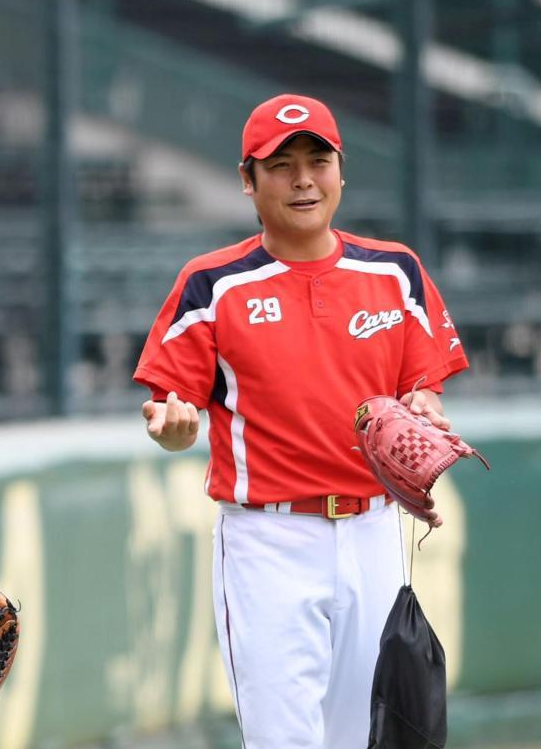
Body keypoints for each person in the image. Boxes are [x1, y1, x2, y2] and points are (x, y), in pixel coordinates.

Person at [133, 93, 469, 749]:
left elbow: (422, 389)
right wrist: (171, 429)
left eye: (318, 161)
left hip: (374, 532)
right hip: (268, 540)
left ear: (341, 170)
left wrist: (426, 406)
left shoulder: (394, 271)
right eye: (281, 165)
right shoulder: (211, 284)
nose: (303, 180)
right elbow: (168, 406)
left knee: (361, 737)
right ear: (247, 179)